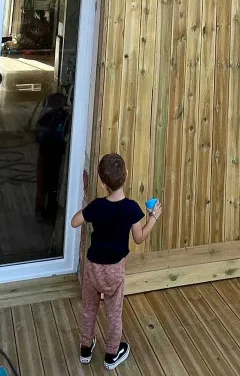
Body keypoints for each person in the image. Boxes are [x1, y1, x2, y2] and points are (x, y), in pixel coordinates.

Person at [70, 153, 161, 370]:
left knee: (89, 308)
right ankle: (111, 354)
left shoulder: (97, 206)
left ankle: (85, 348)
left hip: (93, 267)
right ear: (126, 175)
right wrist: (153, 218)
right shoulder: (131, 209)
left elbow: (75, 222)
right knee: (113, 312)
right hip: (114, 270)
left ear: (103, 183)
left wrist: (88, 209)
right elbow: (139, 238)